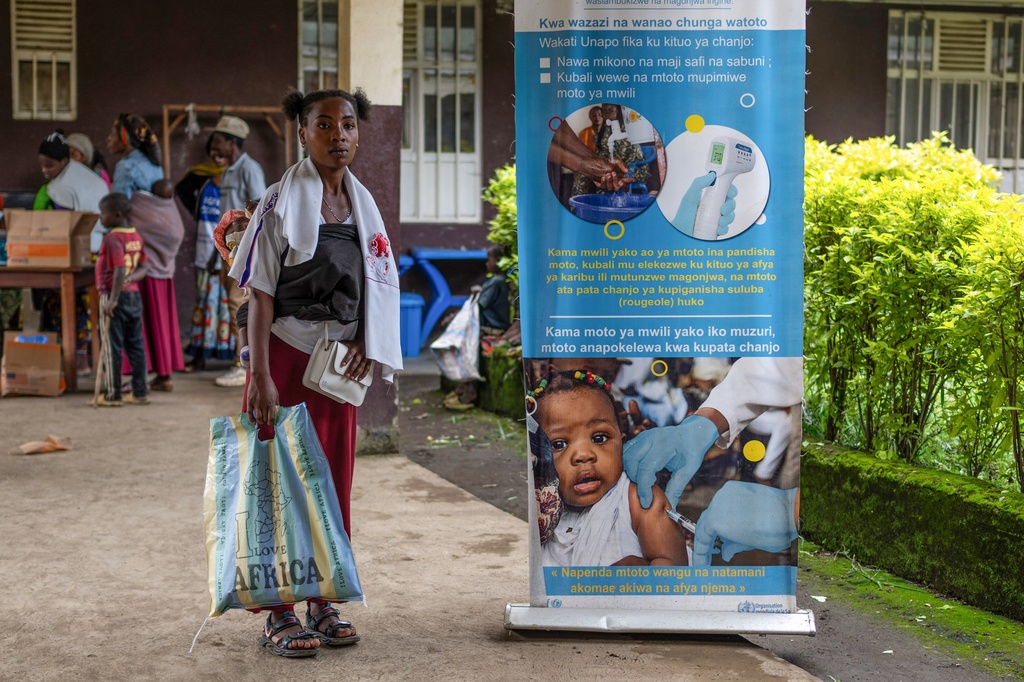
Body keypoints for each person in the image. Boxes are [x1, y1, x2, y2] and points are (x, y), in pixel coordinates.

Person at [229, 87, 402, 657]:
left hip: (336, 369)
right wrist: (260, 376)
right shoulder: (278, 203)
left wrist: (366, 343)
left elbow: (373, 286)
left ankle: (322, 599)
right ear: (301, 134)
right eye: (323, 125)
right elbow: (259, 295)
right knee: (280, 484)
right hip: (284, 357)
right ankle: (278, 610)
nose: (339, 136)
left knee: (331, 484)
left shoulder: (363, 207)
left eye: (348, 125)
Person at [530, 369, 687, 567]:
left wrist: (636, 577)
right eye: (558, 444)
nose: (583, 455)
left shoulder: (638, 500)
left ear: (622, 443)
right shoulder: (541, 508)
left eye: (599, 438)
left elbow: (674, 568)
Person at [211, 116, 266, 388]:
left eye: (219, 141)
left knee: (240, 302)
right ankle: (241, 359)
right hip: (229, 248)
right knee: (234, 302)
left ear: (232, 142)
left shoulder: (249, 169)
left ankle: (242, 364)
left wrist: (245, 250)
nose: (215, 146)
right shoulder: (230, 170)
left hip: (243, 249)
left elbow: (257, 210)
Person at [177, 137, 231, 372]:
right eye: (212, 151)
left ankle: (234, 358)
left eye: (221, 151)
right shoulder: (203, 179)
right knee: (203, 303)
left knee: (227, 304)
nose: (216, 156)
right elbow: (181, 189)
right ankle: (200, 356)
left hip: (228, 253)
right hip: (203, 250)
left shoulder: (236, 180)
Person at [94, 193, 149, 407]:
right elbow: (144, 267)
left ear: (116, 215)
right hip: (134, 296)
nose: (100, 218)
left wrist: (113, 299)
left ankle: (113, 394)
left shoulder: (113, 238)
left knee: (111, 346)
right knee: (136, 345)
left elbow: (118, 269)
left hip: (113, 295)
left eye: (102, 214)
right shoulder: (135, 236)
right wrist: (131, 278)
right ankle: (139, 392)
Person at [443, 243, 511, 410]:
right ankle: (463, 384)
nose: (487, 263)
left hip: (492, 327)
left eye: (489, 259)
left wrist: (453, 318)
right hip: (489, 324)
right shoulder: (497, 281)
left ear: (499, 261)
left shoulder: (497, 282)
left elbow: (477, 307)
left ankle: (470, 387)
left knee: (465, 344)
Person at [107, 114, 164, 198]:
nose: (108, 139)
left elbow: (119, 206)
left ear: (125, 141)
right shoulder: (153, 162)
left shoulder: (126, 167)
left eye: (112, 135)